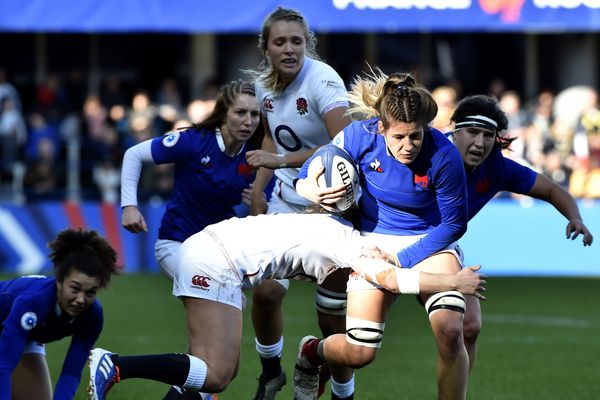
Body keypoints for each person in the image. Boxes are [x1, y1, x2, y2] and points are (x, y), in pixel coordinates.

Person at [87, 212, 487, 400]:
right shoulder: (351, 242)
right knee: (217, 374)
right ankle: (117, 364)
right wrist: (453, 281)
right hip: (218, 261)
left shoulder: (323, 224)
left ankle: (119, 367)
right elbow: (388, 279)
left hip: (212, 246)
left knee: (203, 374)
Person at [293, 70, 470, 400]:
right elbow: (307, 175)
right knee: (360, 353)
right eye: (398, 137)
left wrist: (401, 260)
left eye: (415, 136)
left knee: (450, 330)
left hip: (431, 242)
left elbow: (453, 226)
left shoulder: (444, 156)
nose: (408, 146)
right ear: (380, 128)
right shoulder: (358, 136)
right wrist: (314, 192)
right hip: (372, 242)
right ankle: (312, 353)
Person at [120, 79, 261, 399]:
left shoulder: (255, 158)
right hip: (178, 246)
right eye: (240, 112)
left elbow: (260, 214)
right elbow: (133, 154)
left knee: (221, 370)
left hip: (220, 258)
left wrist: (255, 201)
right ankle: (117, 367)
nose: (248, 121)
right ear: (223, 112)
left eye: (254, 114)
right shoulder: (194, 141)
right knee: (214, 367)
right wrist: (130, 205)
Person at [244, 7, 353, 400]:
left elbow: (344, 143)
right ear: (266, 48)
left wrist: (280, 162)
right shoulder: (262, 86)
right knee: (266, 291)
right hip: (286, 201)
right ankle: (271, 372)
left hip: (332, 206)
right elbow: (273, 137)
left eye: (297, 41)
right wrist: (259, 188)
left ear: (307, 44)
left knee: (331, 317)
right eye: (280, 42)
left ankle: (343, 390)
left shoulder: (323, 80)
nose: (290, 49)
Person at [448, 94, 594, 373]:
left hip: (440, 247)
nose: (480, 143)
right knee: (357, 348)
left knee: (470, 326)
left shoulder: (497, 167)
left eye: (488, 135)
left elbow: (553, 189)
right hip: (393, 239)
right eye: (473, 132)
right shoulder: (429, 150)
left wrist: (575, 217)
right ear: (454, 130)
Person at [0, 228, 119, 400]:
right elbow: (4, 366)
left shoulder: (92, 316)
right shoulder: (32, 303)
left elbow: (71, 373)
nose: (81, 299)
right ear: (59, 281)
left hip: (22, 334)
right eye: (75, 288)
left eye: (90, 292)